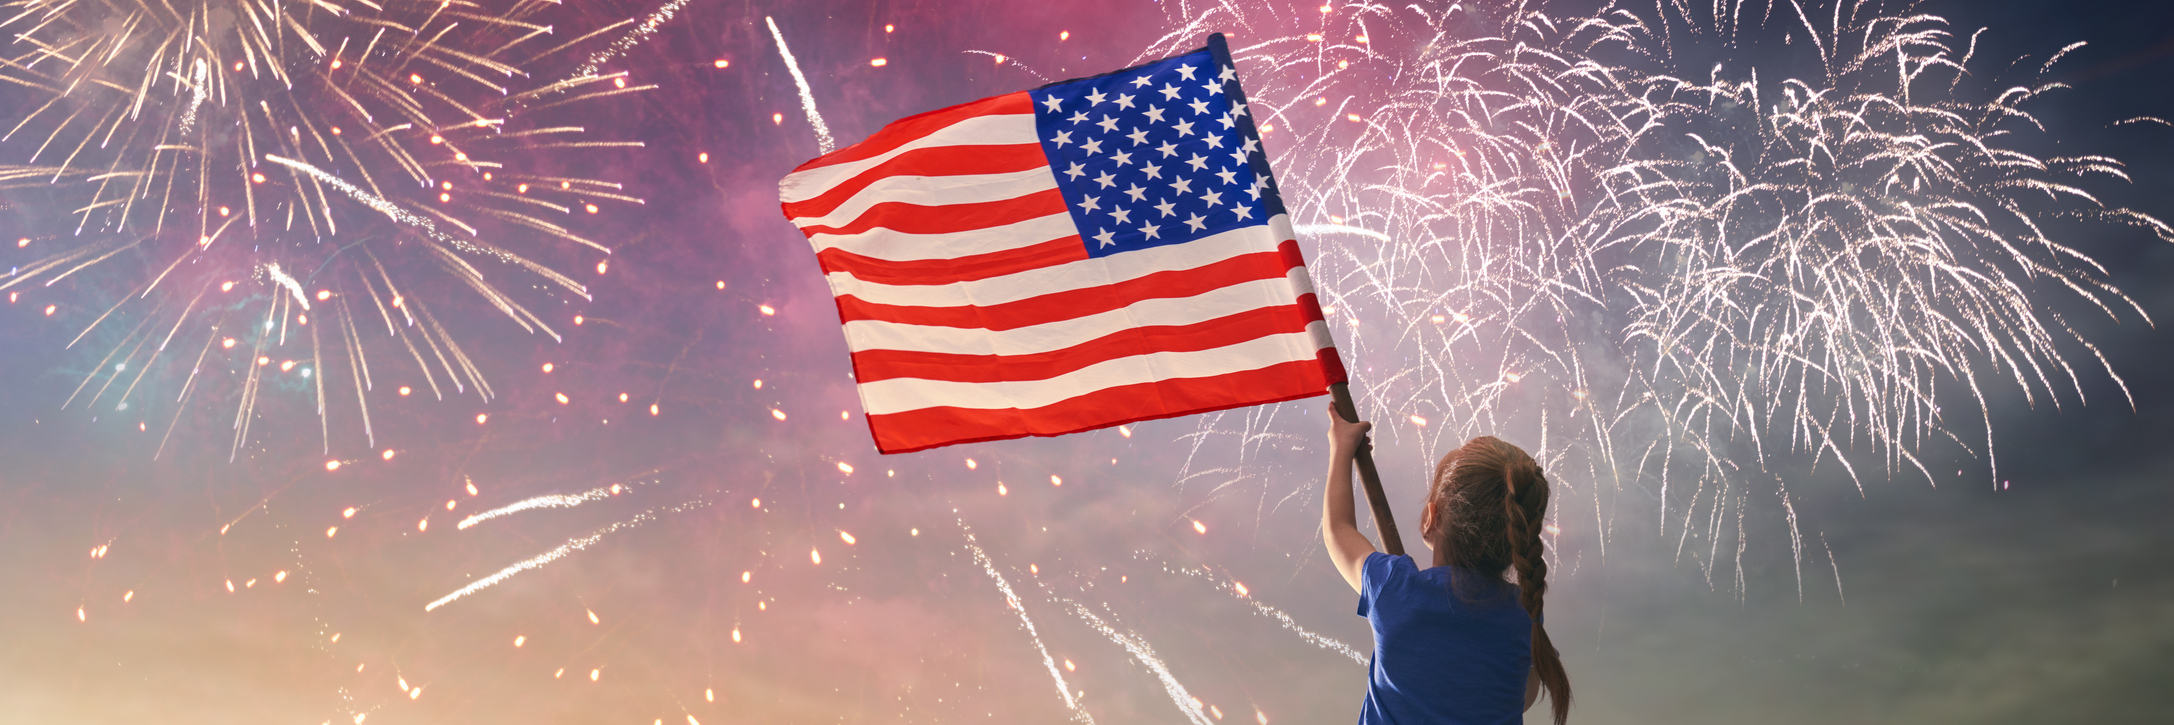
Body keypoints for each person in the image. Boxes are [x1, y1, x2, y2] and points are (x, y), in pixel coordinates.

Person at [1323, 405, 1572, 725]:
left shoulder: (1396, 589)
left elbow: (1337, 529)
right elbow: (1518, 697)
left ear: (1432, 517)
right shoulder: (1524, 614)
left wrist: (1341, 446)